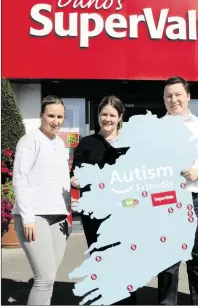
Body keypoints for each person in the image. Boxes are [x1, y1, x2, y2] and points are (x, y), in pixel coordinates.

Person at [157, 76, 198, 305]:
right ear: (164, 100)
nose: (173, 100)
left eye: (177, 95)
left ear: (188, 97)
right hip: (167, 202)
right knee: (167, 264)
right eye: (169, 96)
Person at [70, 95, 136, 305]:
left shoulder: (131, 143)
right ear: (98, 116)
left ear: (120, 117)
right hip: (96, 216)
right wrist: (75, 180)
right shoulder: (86, 143)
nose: (108, 119)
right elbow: (76, 174)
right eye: (104, 114)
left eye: (112, 115)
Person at [12, 95, 71, 305]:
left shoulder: (58, 142)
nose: (55, 121)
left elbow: (58, 179)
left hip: (58, 218)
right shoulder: (29, 141)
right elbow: (20, 179)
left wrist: (68, 213)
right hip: (35, 217)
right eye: (51, 116)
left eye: (60, 117)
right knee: (44, 279)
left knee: (49, 278)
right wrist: (27, 218)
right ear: (41, 116)